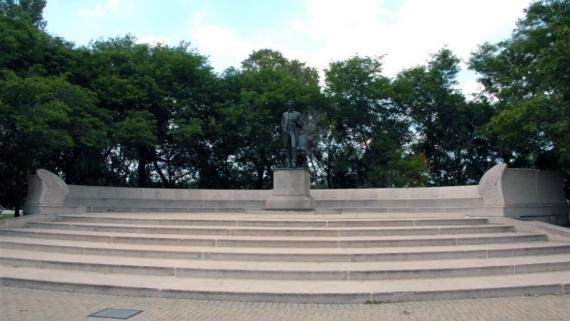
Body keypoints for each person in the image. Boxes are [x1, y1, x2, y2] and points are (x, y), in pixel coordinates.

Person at [281, 100, 303, 167]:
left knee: (293, 146)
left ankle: (294, 161)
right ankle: (289, 162)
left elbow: (301, 123)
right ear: (287, 105)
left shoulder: (297, 114)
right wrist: (284, 128)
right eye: (289, 103)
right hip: (286, 131)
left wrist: (297, 122)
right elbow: (282, 123)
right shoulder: (284, 114)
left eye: (291, 103)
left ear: (293, 105)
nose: (290, 104)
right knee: (287, 147)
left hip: (294, 131)